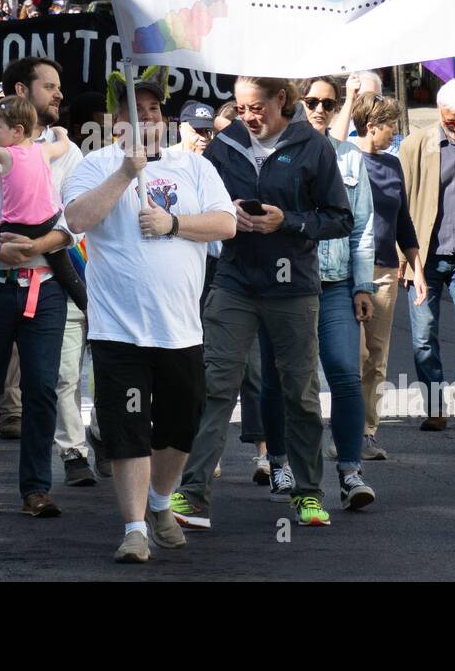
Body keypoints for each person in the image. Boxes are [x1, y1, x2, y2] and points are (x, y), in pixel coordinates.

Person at [62, 83, 236, 562]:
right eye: (135, 112)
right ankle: (134, 528)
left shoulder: (196, 167)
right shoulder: (95, 165)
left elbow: (226, 225)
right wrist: (124, 173)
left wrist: (173, 225)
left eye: (153, 110)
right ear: (117, 123)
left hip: (181, 329)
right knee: (128, 430)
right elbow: (76, 219)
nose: (147, 118)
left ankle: (161, 503)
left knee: (181, 426)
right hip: (119, 329)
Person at [171, 77, 353, 530]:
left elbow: (339, 218)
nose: (249, 116)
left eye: (257, 108)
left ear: (281, 100)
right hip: (234, 279)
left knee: (300, 392)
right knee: (214, 383)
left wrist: (285, 221)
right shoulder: (225, 143)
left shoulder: (313, 146)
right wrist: (223, 213)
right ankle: (192, 493)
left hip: (292, 286)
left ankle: (308, 495)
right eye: (242, 107)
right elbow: (197, 201)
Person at [0, 57, 82, 515]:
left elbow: (75, 218)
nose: (59, 94)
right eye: (50, 86)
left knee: (43, 387)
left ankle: (36, 489)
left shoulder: (67, 150)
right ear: (23, 91)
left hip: (46, 287)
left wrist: (42, 242)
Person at [258, 76, 378, 511]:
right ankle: (278, 460)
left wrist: (362, 284)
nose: (321, 110)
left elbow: (363, 226)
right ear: (295, 103)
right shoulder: (275, 151)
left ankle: (349, 472)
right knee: (279, 377)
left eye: (330, 103)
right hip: (284, 283)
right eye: (312, 101)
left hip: (334, 283)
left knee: (345, 373)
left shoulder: (349, 158)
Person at [0, 95, 87, 334]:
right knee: (62, 262)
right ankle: (87, 305)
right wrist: (62, 134)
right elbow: (63, 145)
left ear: (17, 131)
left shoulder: (3, 155)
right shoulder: (44, 151)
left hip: (13, 228)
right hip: (46, 223)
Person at [398, 77, 455, 429]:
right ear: (439, 113)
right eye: (451, 121)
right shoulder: (417, 144)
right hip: (424, 258)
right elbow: (399, 202)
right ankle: (434, 405)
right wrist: (400, 258)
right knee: (422, 337)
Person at [348, 92, 427, 461]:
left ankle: (366, 431)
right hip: (347, 272)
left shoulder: (393, 165)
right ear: (370, 126)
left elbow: (403, 222)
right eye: (390, 126)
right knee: (354, 354)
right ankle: (345, 429)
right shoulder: (345, 160)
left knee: (377, 358)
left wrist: (417, 268)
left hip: (384, 271)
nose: (394, 133)